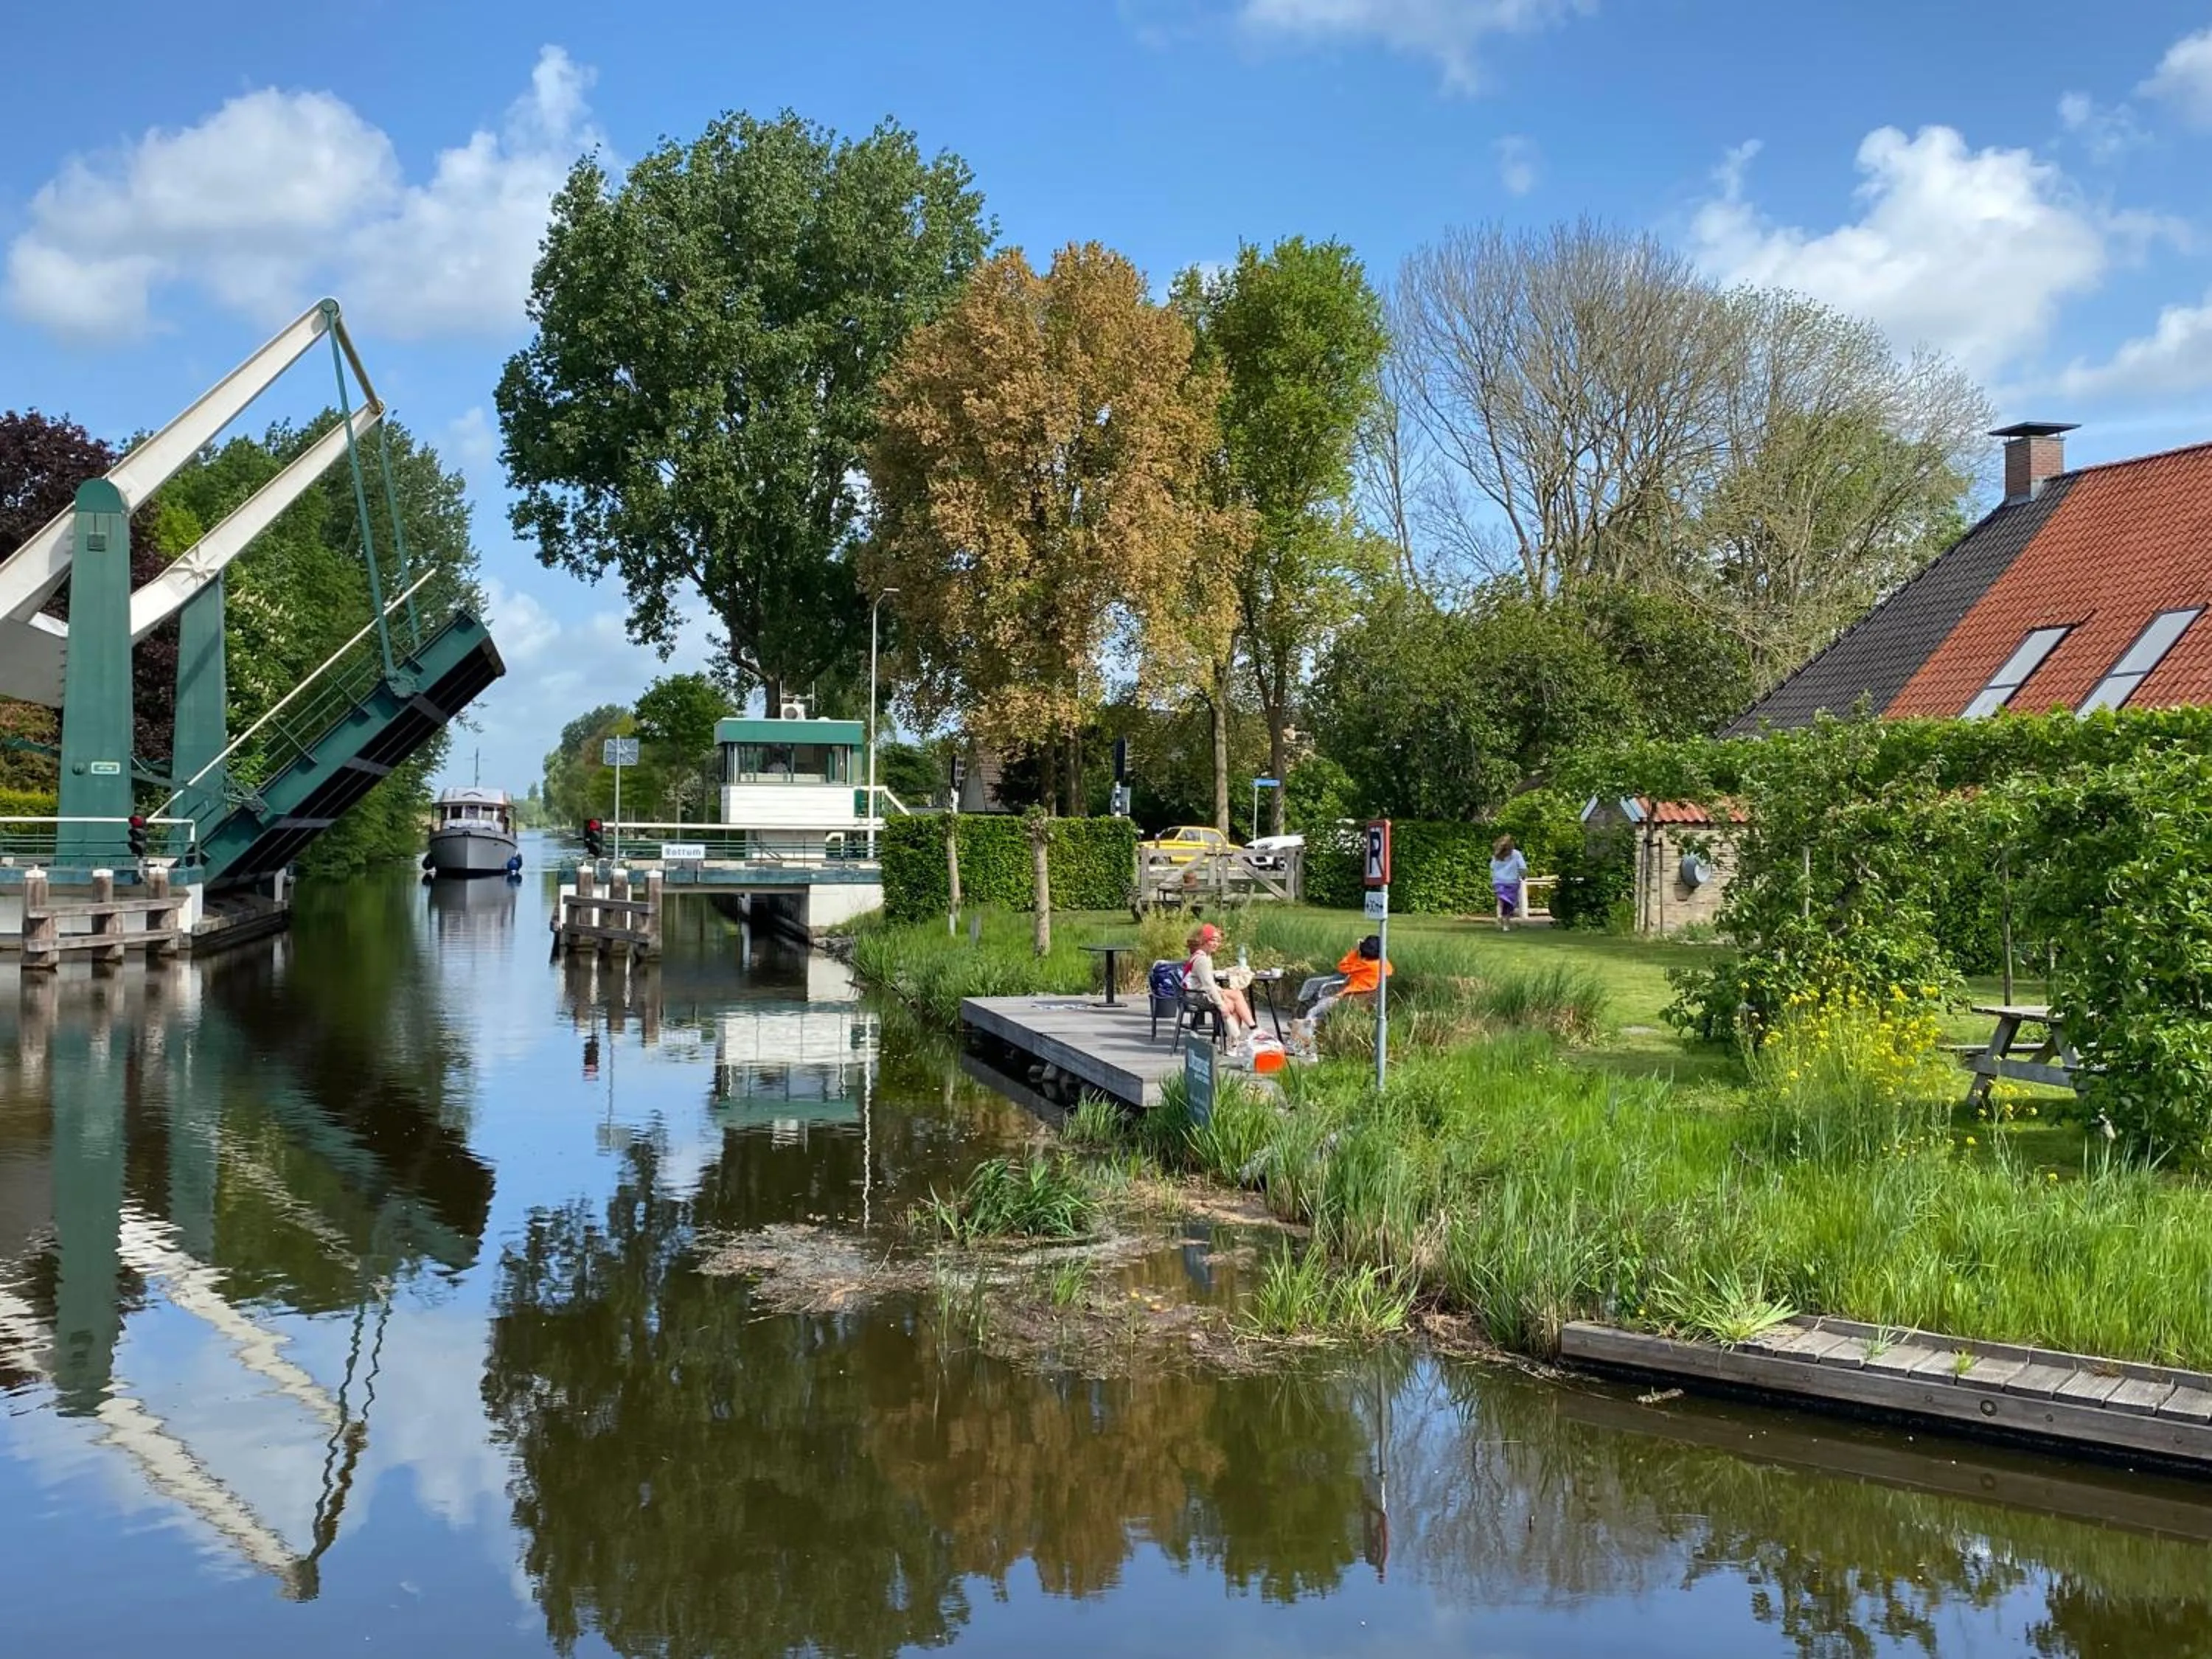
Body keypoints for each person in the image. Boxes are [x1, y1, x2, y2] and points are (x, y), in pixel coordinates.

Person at [1290, 934, 1391, 1056]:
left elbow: (1343, 967)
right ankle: (1316, 1038)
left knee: (1313, 1012)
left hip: (1349, 999)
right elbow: (1385, 965)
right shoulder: (1384, 966)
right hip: (1367, 1001)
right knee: (1322, 1011)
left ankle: (1302, 1046)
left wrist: (1355, 951)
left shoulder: (1365, 965)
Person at [1185, 923, 1253, 1042]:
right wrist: (1222, 1005)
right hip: (1195, 996)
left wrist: (1221, 992)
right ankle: (1236, 1040)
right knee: (1231, 1004)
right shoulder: (1202, 960)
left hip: (1199, 992)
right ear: (1205, 940)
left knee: (1236, 994)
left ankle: (1250, 1031)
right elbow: (1209, 986)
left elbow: (1209, 983)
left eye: (1218, 941)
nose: (1216, 944)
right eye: (1213, 940)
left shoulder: (1205, 956)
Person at [1490, 833, 1528, 931]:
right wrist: (1523, 875)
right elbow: (1523, 867)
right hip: (1512, 882)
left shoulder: (1497, 855)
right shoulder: (1516, 854)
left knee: (1500, 900)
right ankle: (1506, 926)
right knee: (1509, 904)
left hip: (1498, 881)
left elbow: (1492, 867)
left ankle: (1499, 915)